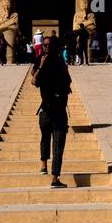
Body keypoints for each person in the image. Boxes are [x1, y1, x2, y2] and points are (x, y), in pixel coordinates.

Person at [30, 35, 71, 188]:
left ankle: (44, 166)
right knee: (57, 146)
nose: (46, 48)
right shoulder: (58, 61)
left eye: (47, 45)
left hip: (47, 109)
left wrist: (39, 68)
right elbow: (68, 81)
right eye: (45, 45)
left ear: (52, 46)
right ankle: (54, 178)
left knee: (46, 139)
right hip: (56, 110)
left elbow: (33, 80)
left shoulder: (44, 60)